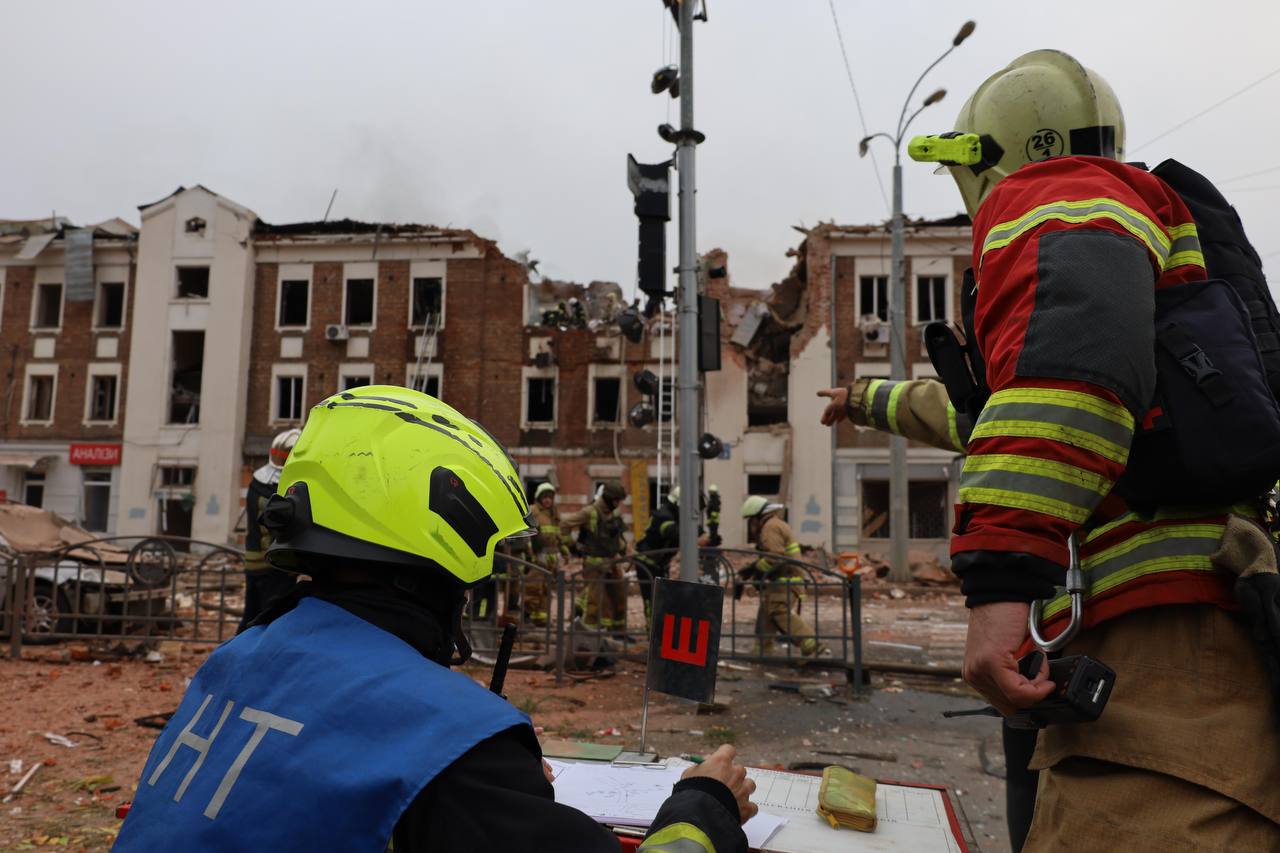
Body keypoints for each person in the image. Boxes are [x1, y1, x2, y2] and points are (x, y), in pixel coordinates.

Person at [901, 50, 1280, 850]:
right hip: (1192, 650)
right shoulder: (1144, 249)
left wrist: (1001, 583)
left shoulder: (1060, 194)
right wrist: (865, 400)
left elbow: (1070, 368)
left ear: (988, 159)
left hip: (1162, 658)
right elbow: (1009, 415)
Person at [113, 386, 755, 851]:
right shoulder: (444, 737)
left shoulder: (235, 662)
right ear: (445, 551)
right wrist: (704, 808)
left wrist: (488, 790)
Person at [817, 378, 1042, 851]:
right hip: (1057, 629)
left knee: (1038, 778)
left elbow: (967, 415)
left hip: (1060, 630)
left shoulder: (1055, 377)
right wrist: (860, 399)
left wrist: (997, 585)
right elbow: (956, 411)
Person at [738, 496, 826, 657]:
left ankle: (810, 642)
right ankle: (763, 650)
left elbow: (775, 557)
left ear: (758, 517)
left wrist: (758, 570)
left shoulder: (770, 527)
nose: (751, 525)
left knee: (778, 611)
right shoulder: (776, 524)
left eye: (751, 520)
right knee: (766, 612)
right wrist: (753, 569)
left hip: (786, 580)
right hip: (782, 580)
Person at [238, 428, 301, 632]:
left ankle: (240, 647)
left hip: (253, 561)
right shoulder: (278, 490)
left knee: (252, 616)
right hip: (273, 565)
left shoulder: (256, 482)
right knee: (269, 621)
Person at [563, 480, 629, 632]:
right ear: (607, 498)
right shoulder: (590, 512)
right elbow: (565, 524)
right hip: (594, 565)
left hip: (612, 563)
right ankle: (588, 635)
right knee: (594, 603)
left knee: (619, 599)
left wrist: (624, 550)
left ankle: (619, 633)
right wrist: (572, 546)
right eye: (615, 501)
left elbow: (617, 537)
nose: (617, 504)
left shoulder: (615, 513)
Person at [524, 481, 567, 626]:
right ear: (539, 497)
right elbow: (526, 534)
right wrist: (530, 553)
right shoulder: (533, 510)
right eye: (545, 497)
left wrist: (564, 550)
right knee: (533, 587)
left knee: (547, 590)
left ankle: (540, 618)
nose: (548, 500)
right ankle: (526, 616)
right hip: (538, 556)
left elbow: (558, 534)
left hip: (552, 558)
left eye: (550, 497)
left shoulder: (554, 513)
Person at [635, 486, 680, 620]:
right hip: (647, 563)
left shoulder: (672, 513)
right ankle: (652, 629)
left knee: (661, 597)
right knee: (651, 598)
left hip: (658, 562)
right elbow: (673, 533)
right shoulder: (664, 516)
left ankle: (659, 627)